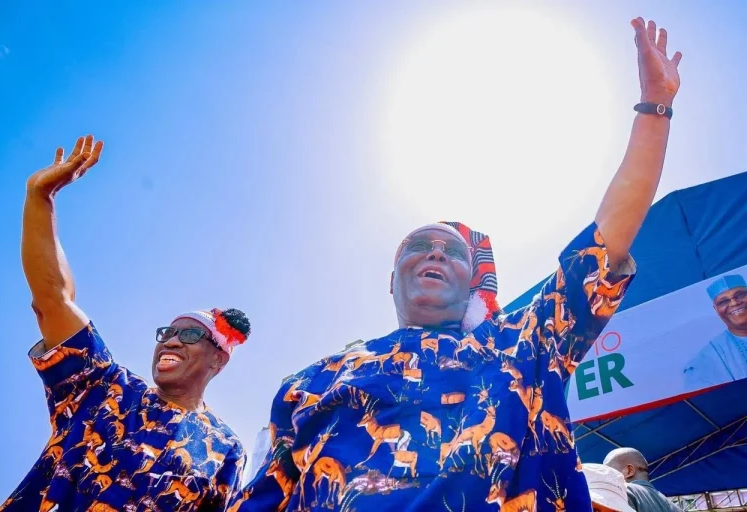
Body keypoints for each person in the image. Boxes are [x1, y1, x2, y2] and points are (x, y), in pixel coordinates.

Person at [232, 16, 682, 511]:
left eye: (453, 252)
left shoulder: (522, 348)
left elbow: (607, 239)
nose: (435, 253)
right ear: (392, 279)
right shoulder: (311, 385)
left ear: (473, 282)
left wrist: (655, 107)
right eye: (419, 245)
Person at [0, 136, 251, 511]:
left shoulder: (225, 450)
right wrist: (40, 197)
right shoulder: (106, 387)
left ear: (219, 358)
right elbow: (53, 301)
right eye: (166, 334)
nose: (171, 342)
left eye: (189, 334)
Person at [683, 274, 747, 390]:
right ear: (716, 310)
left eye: (740, 295)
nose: (734, 303)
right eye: (723, 302)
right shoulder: (705, 362)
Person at [604, 448, 683, 512]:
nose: (606, 478)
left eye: (610, 472)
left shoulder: (622, 491)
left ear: (629, 470)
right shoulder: (676, 508)